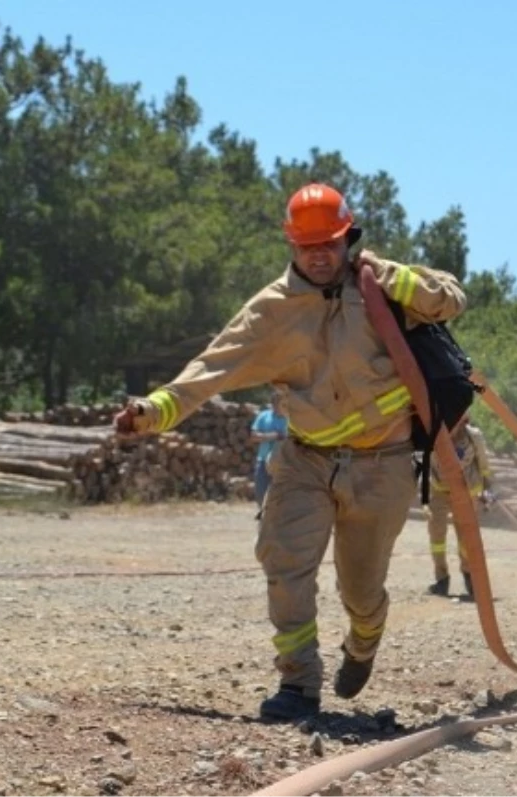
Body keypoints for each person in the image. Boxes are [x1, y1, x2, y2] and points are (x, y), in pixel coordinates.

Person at [113, 182, 466, 721]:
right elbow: (211, 367)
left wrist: (393, 277)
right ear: (291, 245)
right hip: (306, 460)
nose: (320, 255)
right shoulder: (271, 311)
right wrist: (154, 411)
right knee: (284, 561)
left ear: (349, 238)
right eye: (308, 246)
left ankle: (363, 641)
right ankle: (299, 683)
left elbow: (452, 300)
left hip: (383, 465)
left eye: (330, 243)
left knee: (362, 591)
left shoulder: (385, 288)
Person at [425, 419, 493, 600]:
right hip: (439, 489)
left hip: (466, 491)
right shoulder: (434, 435)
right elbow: (426, 462)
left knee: (465, 537)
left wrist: (487, 490)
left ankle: (469, 576)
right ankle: (441, 579)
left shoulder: (474, 437)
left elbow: (483, 465)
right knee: (436, 535)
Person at [249, 394, 288, 518]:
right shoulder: (263, 416)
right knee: (261, 490)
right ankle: (264, 516)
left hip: (285, 463)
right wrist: (275, 436)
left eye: (281, 403)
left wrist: (265, 436)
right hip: (263, 460)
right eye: (275, 402)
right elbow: (254, 436)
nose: (277, 406)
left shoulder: (291, 419)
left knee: (284, 494)